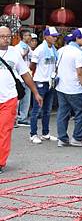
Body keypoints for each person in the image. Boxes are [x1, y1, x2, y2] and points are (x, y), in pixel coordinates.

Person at [0, 26, 43, 174]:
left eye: (8, 36)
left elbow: (25, 74)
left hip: (9, 98)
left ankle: (0, 162)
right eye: (2, 36)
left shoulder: (14, 53)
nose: (5, 39)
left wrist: (36, 93)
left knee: (4, 131)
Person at [56, 28, 82, 147]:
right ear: (77, 38)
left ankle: (62, 138)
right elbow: (80, 72)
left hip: (61, 86)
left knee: (63, 113)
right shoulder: (77, 52)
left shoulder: (61, 50)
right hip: (74, 87)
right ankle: (77, 138)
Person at [29, 26, 61, 144]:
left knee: (47, 110)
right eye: (53, 36)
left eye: (56, 37)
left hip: (50, 82)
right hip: (40, 82)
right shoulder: (40, 49)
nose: (55, 39)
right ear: (46, 36)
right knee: (37, 110)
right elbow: (32, 66)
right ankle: (33, 134)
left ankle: (45, 133)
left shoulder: (54, 49)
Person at [15, 29, 32, 127]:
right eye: (26, 35)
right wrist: (25, 53)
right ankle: (15, 118)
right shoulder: (17, 48)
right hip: (19, 77)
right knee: (17, 98)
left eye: (29, 35)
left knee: (27, 98)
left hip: (28, 75)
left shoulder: (29, 48)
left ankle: (23, 117)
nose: (28, 37)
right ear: (22, 37)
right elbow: (17, 60)